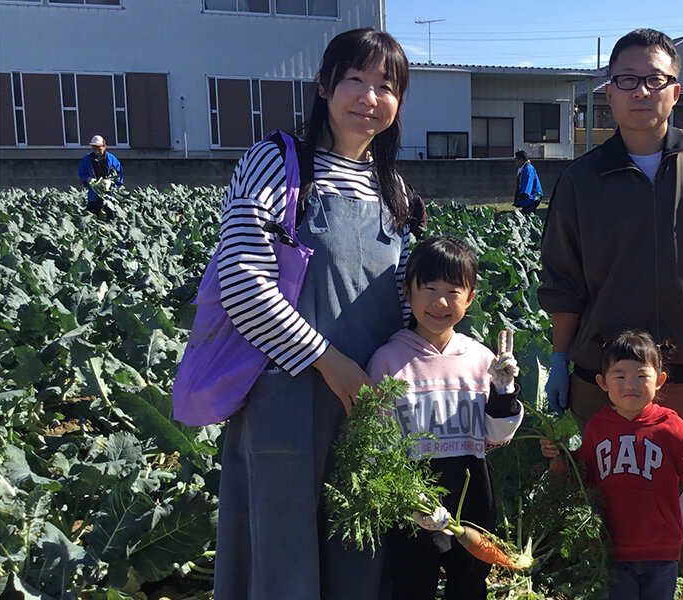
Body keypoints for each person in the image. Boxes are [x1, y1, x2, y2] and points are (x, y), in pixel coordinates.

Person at [538, 28, 683, 600]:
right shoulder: (581, 180)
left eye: (654, 79)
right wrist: (561, 360)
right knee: (603, 510)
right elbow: (564, 283)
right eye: (626, 80)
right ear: (609, 93)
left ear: (676, 91)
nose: (641, 90)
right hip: (604, 377)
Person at [212, 28, 421, 600]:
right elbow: (241, 279)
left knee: (358, 555)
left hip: (366, 404)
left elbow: (405, 304)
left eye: (386, 85)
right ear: (325, 85)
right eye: (355, 79)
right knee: (283, 561)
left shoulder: (394, 188)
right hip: (287, 396)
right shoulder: (277, 163)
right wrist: (328, 361)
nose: (369, 96)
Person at [366, 235, 524, 600]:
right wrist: (408, 498)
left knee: (469, 581)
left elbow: (498, 436)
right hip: (412, 497)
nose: (440, 301)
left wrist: (503, 392)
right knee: (411, 583)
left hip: (472, 497)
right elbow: (373, 443)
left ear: (470, 298)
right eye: (429, 289)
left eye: (454, 291)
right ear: (407, 293)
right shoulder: (387, 361)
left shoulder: (481, 359)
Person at [540, 330, 683, 600]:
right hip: (612, 549)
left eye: (641, 376)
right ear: (603, 382)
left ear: (659, 380)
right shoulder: (598, 427)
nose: (630, 385)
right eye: (620, 376)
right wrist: (559, 460)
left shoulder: (670, 426)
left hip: (661, 549)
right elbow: (584, 478)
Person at [77, 135, 122, 219]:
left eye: (99, 149)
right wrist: (88, 179)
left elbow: (119, 175)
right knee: (92, 218)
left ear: (104, 147)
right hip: (93, 195)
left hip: (109, 196)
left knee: (111, 218)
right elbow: (82, 173)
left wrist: (110, 182)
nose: (97, 151)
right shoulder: (87, 159)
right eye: (94, 149)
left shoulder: (111, 159)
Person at [513, 150, 543, 214]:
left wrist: (522, 197)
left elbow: (528, 185)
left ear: (521, 160)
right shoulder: (525, 168)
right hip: (532, 196)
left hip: (534, 196)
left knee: (527, 215)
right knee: (527, 214)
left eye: (516, 160)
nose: (515, 162)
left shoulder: (528, 169)